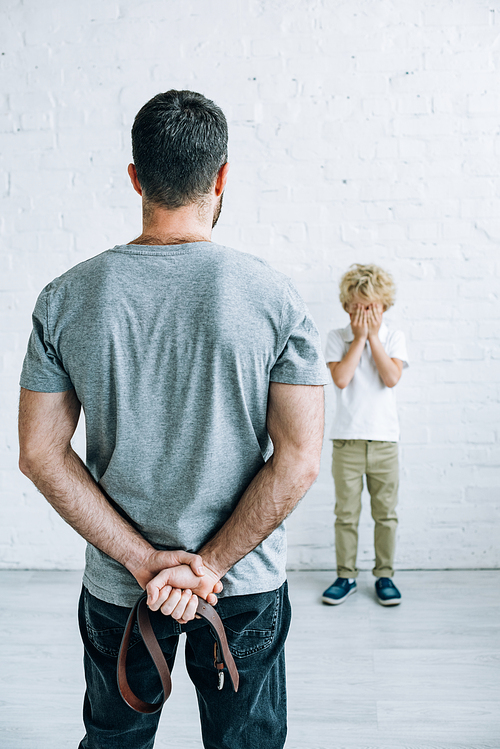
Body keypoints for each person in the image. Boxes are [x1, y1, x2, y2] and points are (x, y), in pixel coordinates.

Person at [18, 90, 327, 749]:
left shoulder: (65, 297)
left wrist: (143, 561)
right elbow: (299, 458)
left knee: (115, 741)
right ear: (221, 177)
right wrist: (209, 565)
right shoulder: (275, 298)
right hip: (242, 586)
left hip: (121, 588)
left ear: (135, 178)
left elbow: (40, 451)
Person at [322, 263, 409, 607]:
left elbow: (391, 378)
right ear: (347, 306)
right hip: (347, 441)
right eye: (358, 306)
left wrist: (373, 337)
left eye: (372, 306)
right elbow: (341, 378)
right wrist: (358, 339)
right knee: (346, 513)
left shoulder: (393, 338)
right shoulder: (336, 338)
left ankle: (384, 575)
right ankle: (346, 576)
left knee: (385, 513)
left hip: (385, 441)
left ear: (384, 306)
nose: (365, 313)